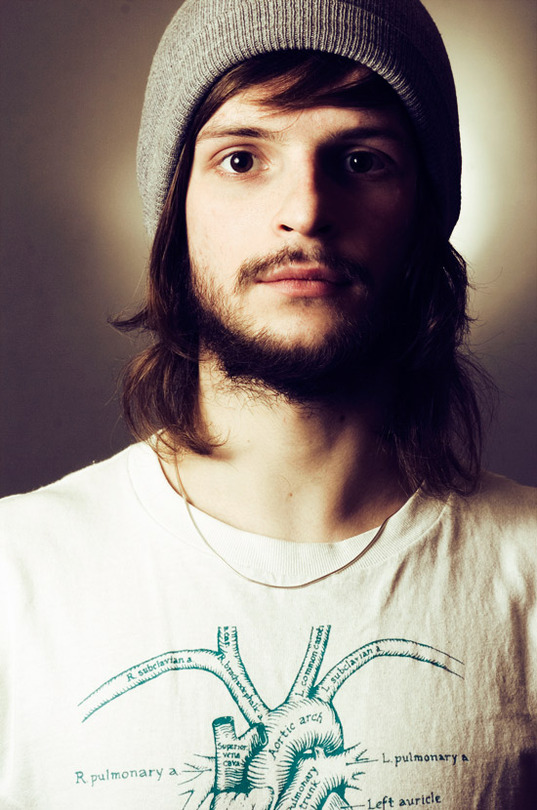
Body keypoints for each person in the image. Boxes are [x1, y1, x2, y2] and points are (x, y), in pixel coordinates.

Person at [0, 0, 535, 808]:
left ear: (425, 213)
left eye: (361, 160)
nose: (307, 211)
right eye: (243, 159)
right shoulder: (19, 576)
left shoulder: (525, 572)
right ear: (174, 209)